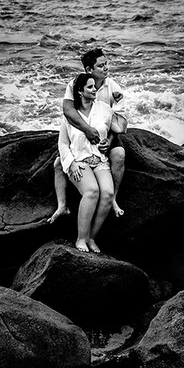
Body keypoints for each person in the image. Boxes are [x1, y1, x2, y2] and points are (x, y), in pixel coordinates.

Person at [48, 47, 128, 224]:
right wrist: (86, 130)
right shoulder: (75, 84)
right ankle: (62, 206)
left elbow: (119, 123)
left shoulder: (113, 87)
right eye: (101, 65)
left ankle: (112, 198)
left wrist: (108, 141)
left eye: (106, 63)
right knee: (58, 163)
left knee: (119, 155)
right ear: (89, 70)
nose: (106, 68)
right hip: (81, 133)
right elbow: (68, 110)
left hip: (105, 133)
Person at [58, 72, 123, 253]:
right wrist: (71, 163)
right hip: (79, 162)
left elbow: (114, 130)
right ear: (80, 91)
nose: (95, 90)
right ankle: (80, 238)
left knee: (108, 194)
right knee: (92, 191)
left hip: (100, 161)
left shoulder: (104, 108)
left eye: (95, 86)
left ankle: (91, 238)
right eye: (90, 87)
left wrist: (107, 143)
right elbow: (63, 143)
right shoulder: (70, 116)